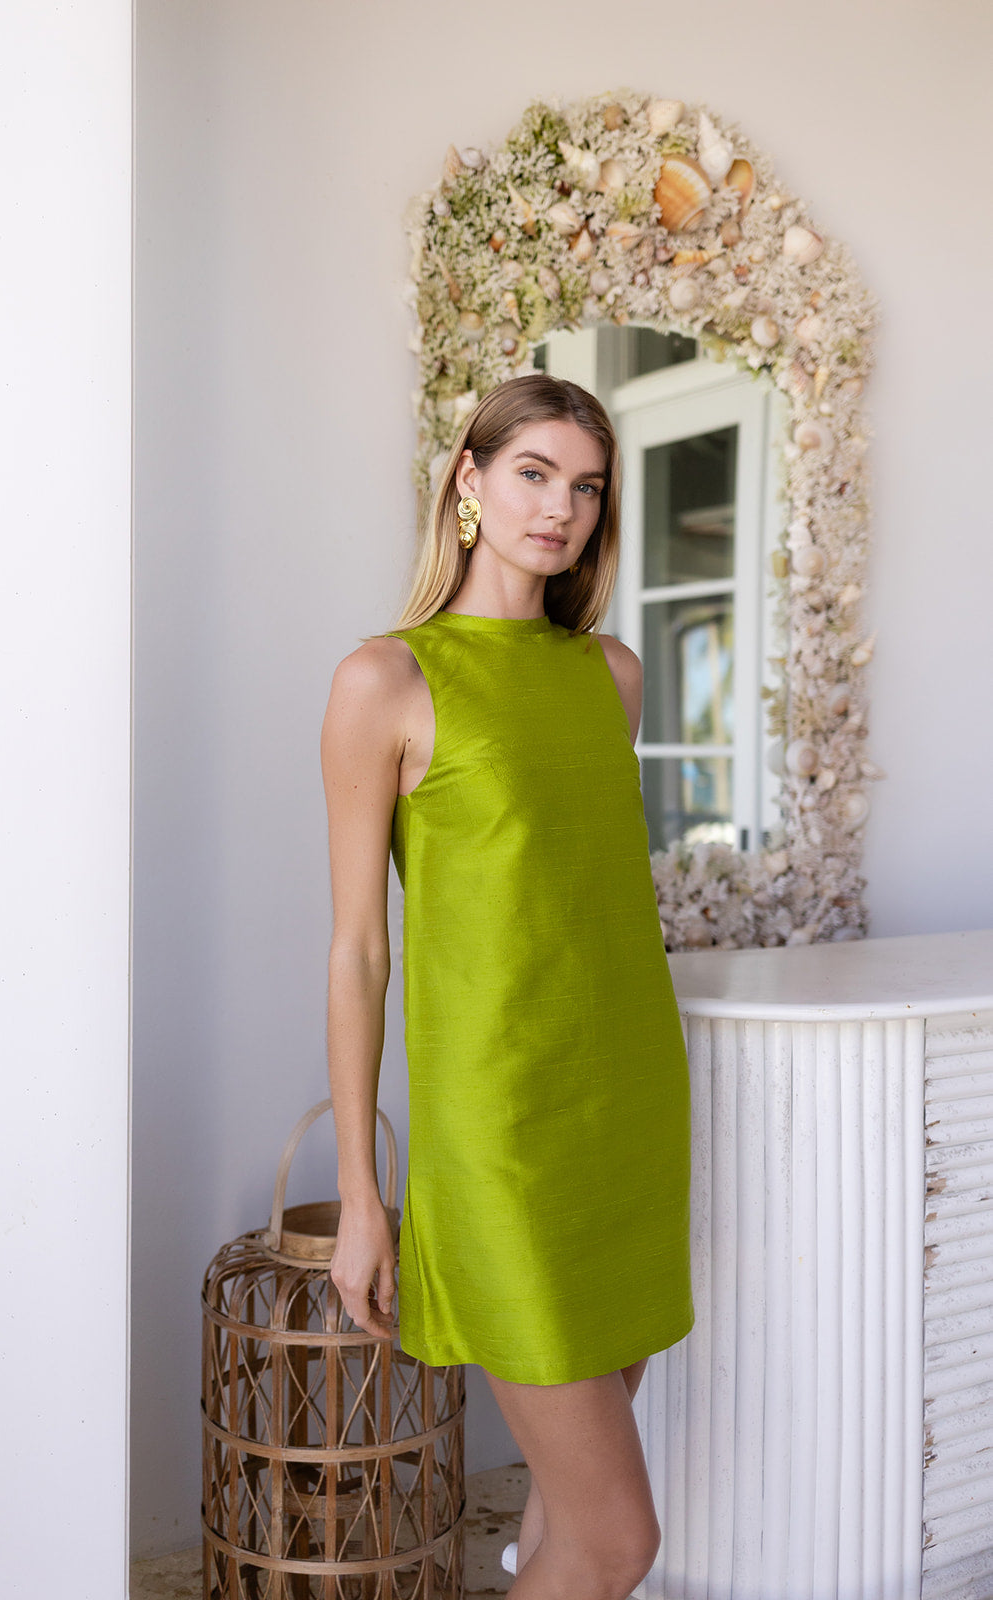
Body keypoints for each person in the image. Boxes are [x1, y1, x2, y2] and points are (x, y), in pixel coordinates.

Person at [320, 372, 694, 1600]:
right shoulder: (385, 680)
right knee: (618, 1542)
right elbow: (358, 951)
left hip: (626, 1108)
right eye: (533, 473)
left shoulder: (611, 674)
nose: (559, 509)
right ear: (469, 481)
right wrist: (364, 1198)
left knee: (563, 1520)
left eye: (585, 487)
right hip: (501, 1142)